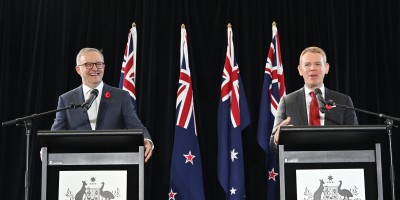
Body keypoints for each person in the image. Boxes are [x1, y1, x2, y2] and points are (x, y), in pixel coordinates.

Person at [51, 47, 153, 162]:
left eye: (99, 64)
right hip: (78, 163)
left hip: (113, 162)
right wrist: (47, 147)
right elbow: (56, 133)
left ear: (103, 67)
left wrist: (146, 139)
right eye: (88, 64)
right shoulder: (66, 99)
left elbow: (135, 124)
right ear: (78, 69)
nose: (95, 68)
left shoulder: (121, 96)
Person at [270, 46, 358, 151]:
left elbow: (355, 139)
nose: (312, 68)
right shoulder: (287, 102)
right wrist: (276, 138)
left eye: (317, 64)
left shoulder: (343, 101)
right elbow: (272, 146)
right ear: (300, 70)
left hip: (335, 163)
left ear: (326, 68)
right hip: (299, 164)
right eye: (307, 65)